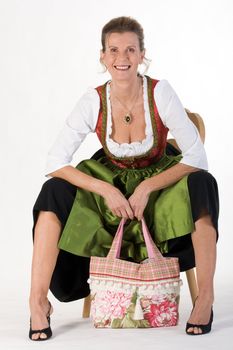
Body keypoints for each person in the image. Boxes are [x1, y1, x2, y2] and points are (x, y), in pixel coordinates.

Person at [29, 16, 219, 340]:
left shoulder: (160, 93)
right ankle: (37, 302)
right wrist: (104, 189)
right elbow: (55, 161)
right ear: (102, 56)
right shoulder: (93, 100)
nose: (122, 58)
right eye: (114, 50)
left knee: (204, 183)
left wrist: (146, 186)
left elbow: (197, 156)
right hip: (110, 187)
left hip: (160, 187)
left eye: (130, 49)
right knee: (53, 192)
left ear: (142, 54)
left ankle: (206, 298)